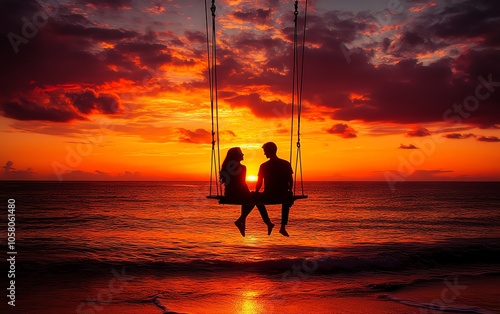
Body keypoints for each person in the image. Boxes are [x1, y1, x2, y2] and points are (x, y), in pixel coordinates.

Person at [220, 147, 275, 237]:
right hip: (238, 194)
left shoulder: (226, 167)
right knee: (256, 199)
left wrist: (248, 194)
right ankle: (265, 222)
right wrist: (248, 194)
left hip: (229, 194)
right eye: (241, 153)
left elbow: (231, 183)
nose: (243, 154)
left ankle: (243, 224)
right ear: (237, 155)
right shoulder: (242, 168)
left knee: (248, 198)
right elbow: (241, 183)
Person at [254, 142, 293, 237]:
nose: (264, 154)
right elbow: (290, 181)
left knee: (254, 198)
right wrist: (288, 190)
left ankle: (268, 223)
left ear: (269, 151)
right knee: (287, 200)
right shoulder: (286, 163)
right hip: (282, 196)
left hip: (269, 196)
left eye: (265, 151)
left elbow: (259, 183)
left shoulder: (264, 166)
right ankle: (283, 227)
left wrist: (256, 192)